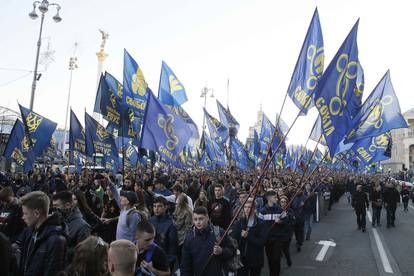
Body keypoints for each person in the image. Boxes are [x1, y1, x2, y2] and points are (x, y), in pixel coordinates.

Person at [17, 191, 67, 276]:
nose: (23, 217)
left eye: (25, 213)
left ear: (36, 213)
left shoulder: (55, 240)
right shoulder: (29, 232)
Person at [180, 206, 236, 276]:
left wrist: (221, 251)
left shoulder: (219, 232)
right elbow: (185, 264)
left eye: (201, 219)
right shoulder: (189, 238)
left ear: (207, 218)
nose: (198, 222)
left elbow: (232, 251)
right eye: (195, 219)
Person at [231, 198, 266, 276]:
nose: (247, 209)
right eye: (245, 207)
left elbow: (262, 242)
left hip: (256, 258)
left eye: (249, 207)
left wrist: (248, 236)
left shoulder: (260, 223)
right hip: (242, 258)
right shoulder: (239, 222)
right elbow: (235, 240)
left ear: (254, 208)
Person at [260, 190, 291, 276]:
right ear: (269, 198)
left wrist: (280, 221)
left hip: (278, 238)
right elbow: (260, 225)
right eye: (274, 197)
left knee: (276, 259)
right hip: (268, 239)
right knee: (270, 259)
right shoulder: (262, 211)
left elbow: (287, 222)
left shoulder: (280, 210)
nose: (277, 199)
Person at [107, 175, 142, 242]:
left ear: (128, 201)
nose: (121, 198)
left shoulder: (134, 216)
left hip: (126, 249)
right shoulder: (123, 209)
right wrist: (108, 180)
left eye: (123, 197)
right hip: (119, 245)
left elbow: (136, 236)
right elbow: (115, 193)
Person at [149, 196, 178, 271]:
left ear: (165, 207)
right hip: (150, 259)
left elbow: (173, 249)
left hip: (164, 262)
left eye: (159, 206)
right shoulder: (150, 220)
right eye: (154, 206)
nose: (156, 209)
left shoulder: (171, 224)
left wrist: (168, 264)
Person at [174, 193, 193, 263]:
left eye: (179, 200)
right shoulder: (177, 208)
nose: (177, 202)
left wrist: (185, 240)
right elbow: (174, 218)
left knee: (183, 256)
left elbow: (189, 227)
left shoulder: (188, 211)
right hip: (176, 234)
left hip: (183, 237)